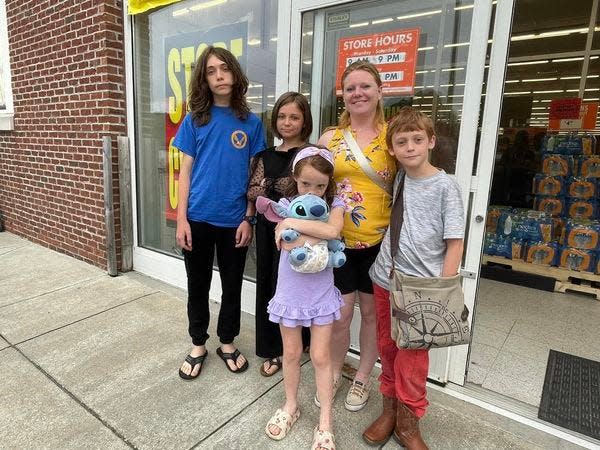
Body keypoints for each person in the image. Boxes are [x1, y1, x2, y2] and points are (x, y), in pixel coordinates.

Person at [363, 106, 465, 448]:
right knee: (388, 348)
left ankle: (409, 421)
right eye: (402, 141)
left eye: (417, 140)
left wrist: (443, 288)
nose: (410, 147)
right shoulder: (399, 177)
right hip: (385, 280)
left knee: (415, 359)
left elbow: (455, 243)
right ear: (392, 148)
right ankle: (389, 411)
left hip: (423, 290)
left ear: (431, 141)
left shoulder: (446, 186)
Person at [174, 46, 265, 380]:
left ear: (235, 74)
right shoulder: (196, 119)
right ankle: (198, 343)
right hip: (197, 218)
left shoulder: (251, 123)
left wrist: (249, 217)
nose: (219, 76)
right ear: (204, 79)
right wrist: (182, 219)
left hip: (234, 221)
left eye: (224, 69)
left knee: (232, 286)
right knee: (197, 285)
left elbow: (257, 175)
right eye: (211, 71)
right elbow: (185, 173)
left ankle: (227, 341)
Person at [317, 60, 397, 411]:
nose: (357, 93)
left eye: (365, 86)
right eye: (350, 88)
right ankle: (334, 371)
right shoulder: (328, 139)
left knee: (371, 315)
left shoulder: (393, 136)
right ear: (343, 96)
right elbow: (313, 190)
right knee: (341, 315)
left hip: (381, 244)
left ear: (380, 92)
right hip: (338, 244)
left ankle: (364, 376)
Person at [263, 146, 344, 450]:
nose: (313, 191)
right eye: (306, 183)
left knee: (321, 357)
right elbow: (285, 244)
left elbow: (334, 231)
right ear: (295, 178)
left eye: (320, 185)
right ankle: (290, 406)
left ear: (329, 183)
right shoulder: (285, 204)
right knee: (292, 353)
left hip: (321, 294)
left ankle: (325, 421)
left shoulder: (336, 204)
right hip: (290, 294)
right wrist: (316, 231)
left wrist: (293, 224)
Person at [248, 92, 313, 377]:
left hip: (301, 232)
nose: (287, 122)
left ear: (304, 121)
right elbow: (252, 190)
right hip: (267, 232)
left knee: (299, 287)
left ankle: (303, 343)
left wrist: (269, 186)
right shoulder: (264, 155)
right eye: (282, 116)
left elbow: (305, 191)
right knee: (270, 286)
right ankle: (273, 349)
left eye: (294, 117)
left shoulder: (310, 155)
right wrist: (274, 187)